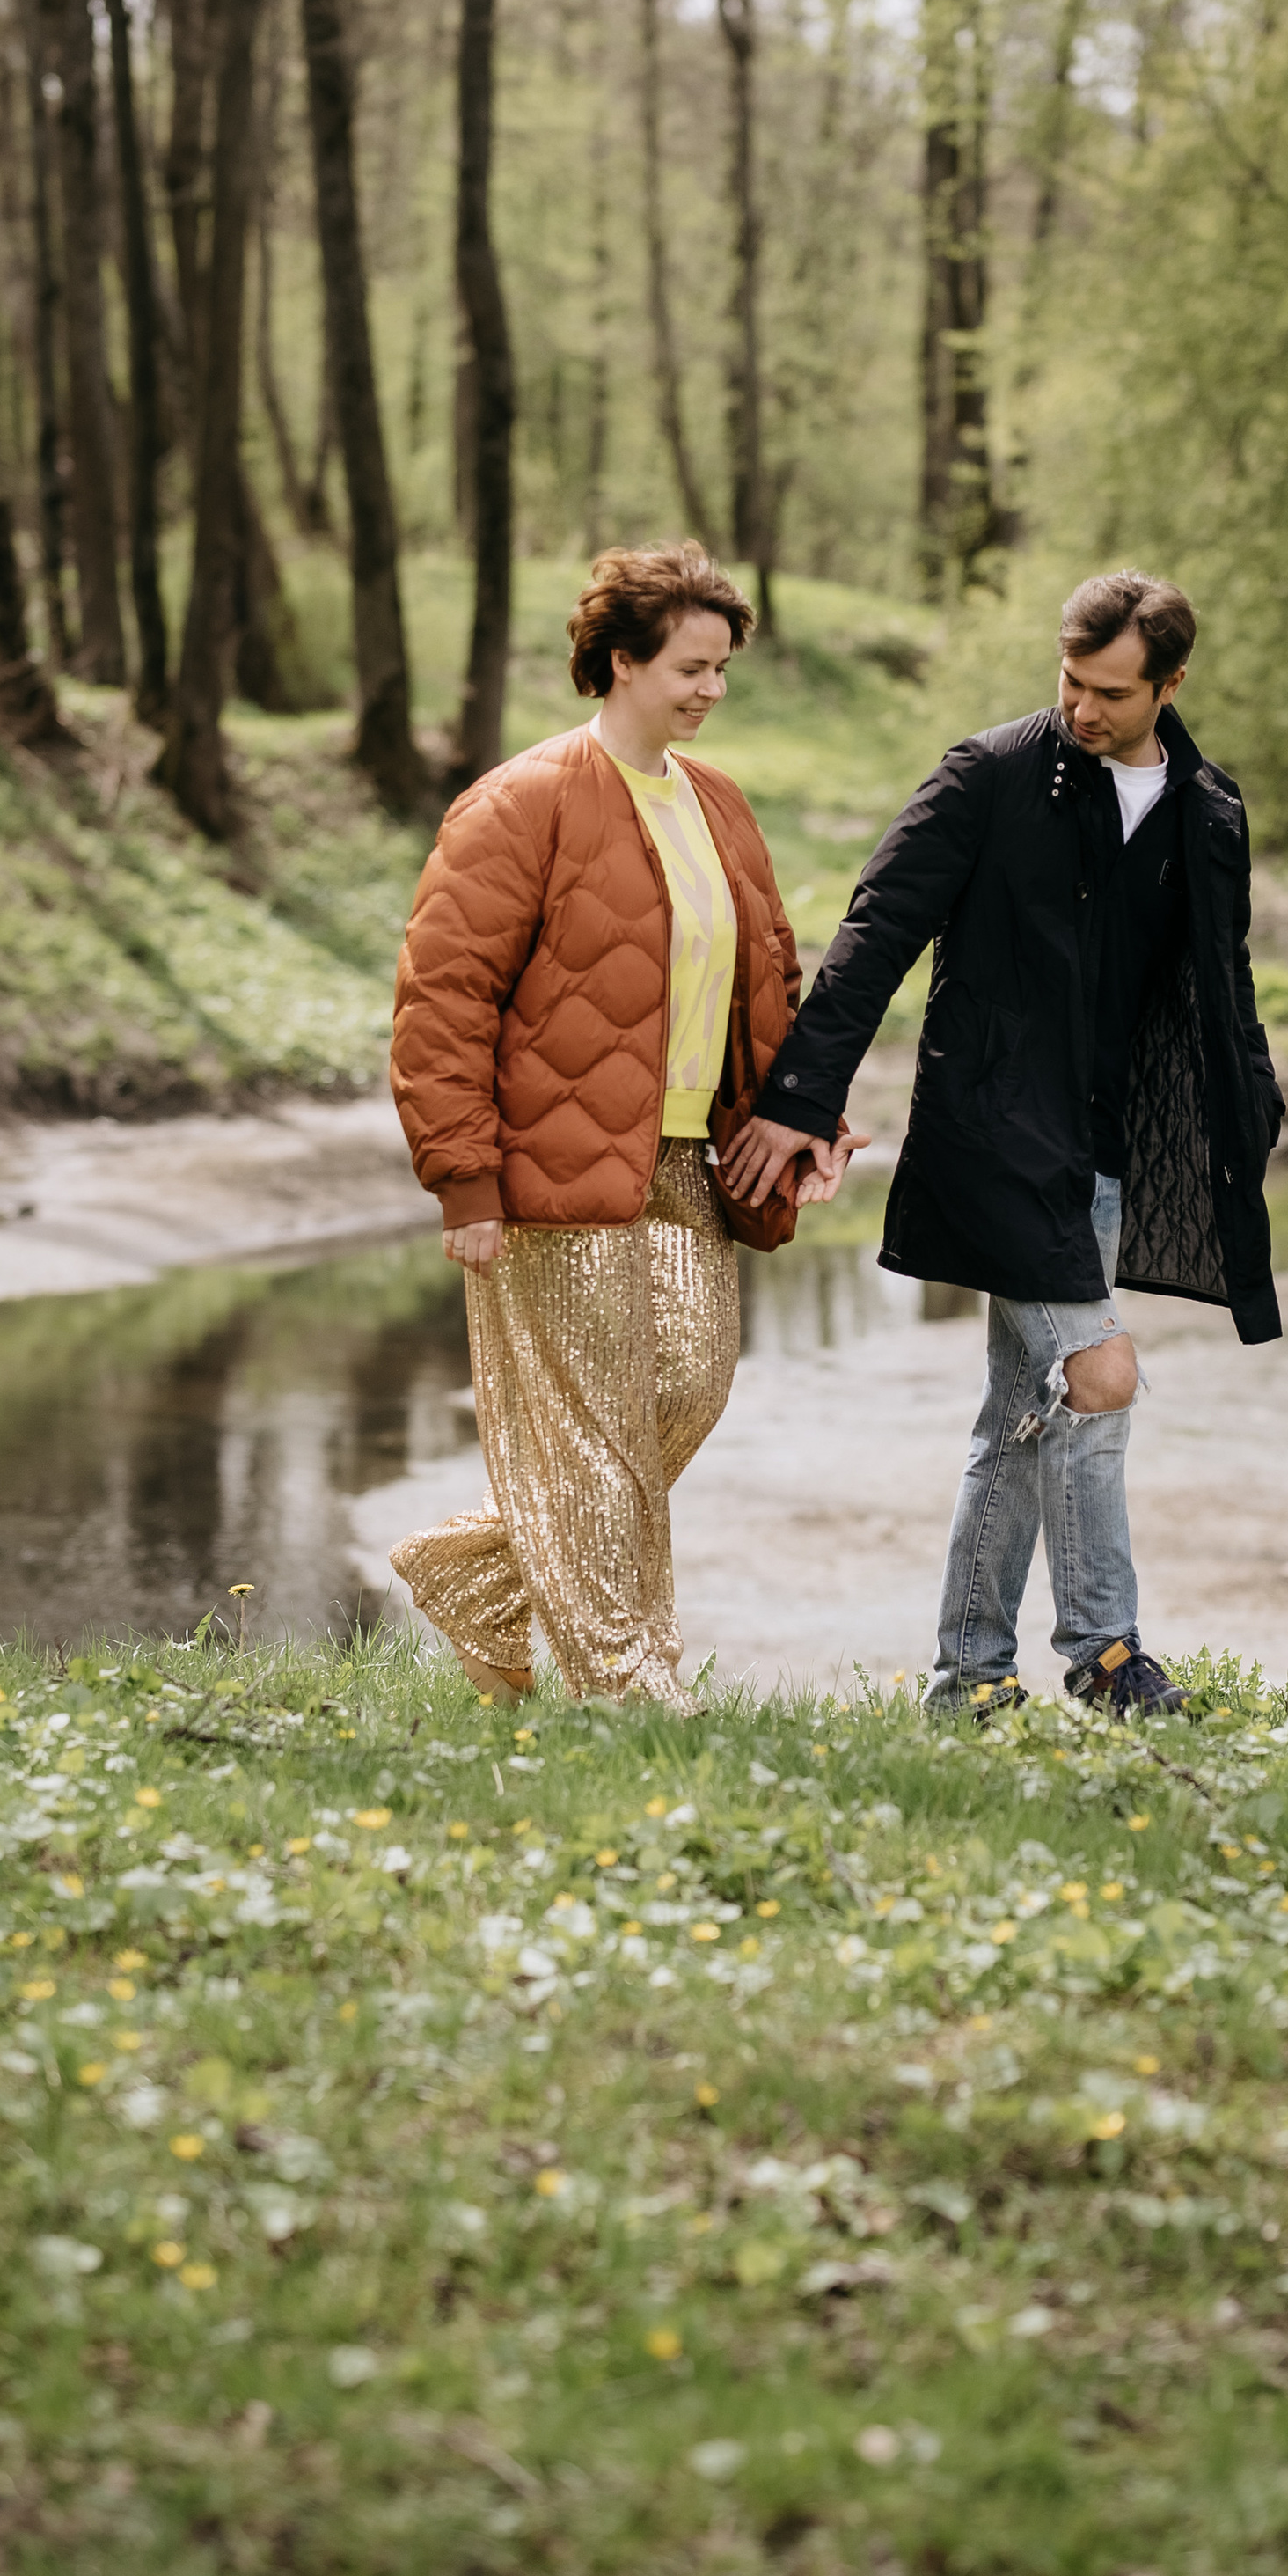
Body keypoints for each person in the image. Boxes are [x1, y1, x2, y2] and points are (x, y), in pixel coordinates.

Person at [721, 571, 1284, 1717]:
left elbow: (1225, 989)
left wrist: (1251, 1120)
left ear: (1170, 684)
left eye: (1111, 691)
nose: (1081, 707)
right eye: (1069, 679)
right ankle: (1106, 1653)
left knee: (1021, 1415)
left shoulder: (1206, 812)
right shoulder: (989, 775)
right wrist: (798, 1097)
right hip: (990, 1138)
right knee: (1102, 1372)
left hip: (1106, 1152)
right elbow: (875, 931)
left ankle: (969, 1676)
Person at [388, 543, 856, 1707]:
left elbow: (773, 982)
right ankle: (629, 1683)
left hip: (694, 1156)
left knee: (687, 1386)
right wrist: (467, 1181)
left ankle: (476, 1573)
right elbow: (444, 1001)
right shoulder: (522, 803)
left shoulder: (723, 807)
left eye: (722, 670)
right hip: (551, 1169)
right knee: (594, 1426)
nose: (713, 690)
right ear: (621, 661)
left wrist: (809, 1118)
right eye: (693, 667)